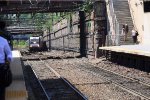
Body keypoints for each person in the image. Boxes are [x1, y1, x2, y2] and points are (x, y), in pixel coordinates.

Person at [0, 20, 12, 100]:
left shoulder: (3, 40)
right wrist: (7, 63)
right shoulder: (5, 37)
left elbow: (9, 54)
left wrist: (7, 63)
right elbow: (9, 54)